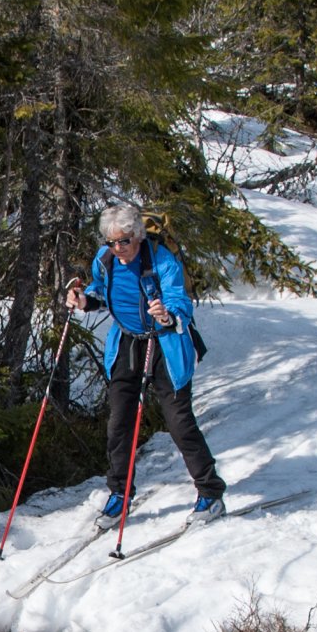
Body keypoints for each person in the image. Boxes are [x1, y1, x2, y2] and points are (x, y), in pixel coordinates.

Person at [66, 203, 226, 526]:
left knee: (179, 422)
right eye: (112, 241)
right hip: (127, 344)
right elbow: (101, 291)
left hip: (165, 342)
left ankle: (210, 493)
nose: (118, 248)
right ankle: (120, 495)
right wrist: (82, 300)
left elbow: (180, 301)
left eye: (124, 241)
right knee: (119, 423)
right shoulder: (105, 259)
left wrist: (167, 315)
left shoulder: (160, 260)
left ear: (137, 236)